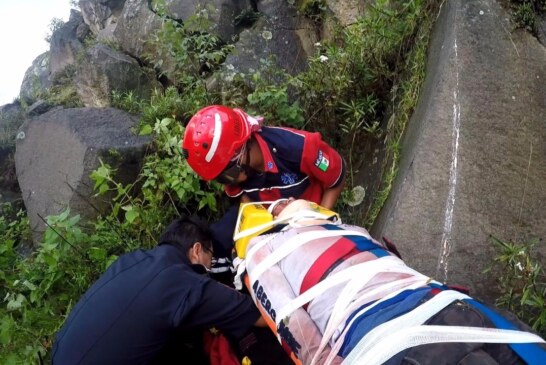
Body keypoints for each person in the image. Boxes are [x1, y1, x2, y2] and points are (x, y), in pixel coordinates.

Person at [236, 199, 546, 365]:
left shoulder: (261, 253)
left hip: (387, 345)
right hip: (455, 310)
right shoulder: (347, 229)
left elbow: (292, 323)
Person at [51, 216, 266, 365]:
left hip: (62, 354)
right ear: (197, 250)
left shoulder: (132, 260)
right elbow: (259, 316)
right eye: (210, 256)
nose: (210, 266)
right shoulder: (184, 285)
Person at [182, 105, 346, 275]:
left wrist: (321, 222)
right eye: (220, 179)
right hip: (275, 231)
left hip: (309, 221)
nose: (227, 183)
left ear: (241, 151)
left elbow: (336, 177)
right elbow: (246, 201)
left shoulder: (298, 148)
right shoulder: (235, 173)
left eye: (227, 175)